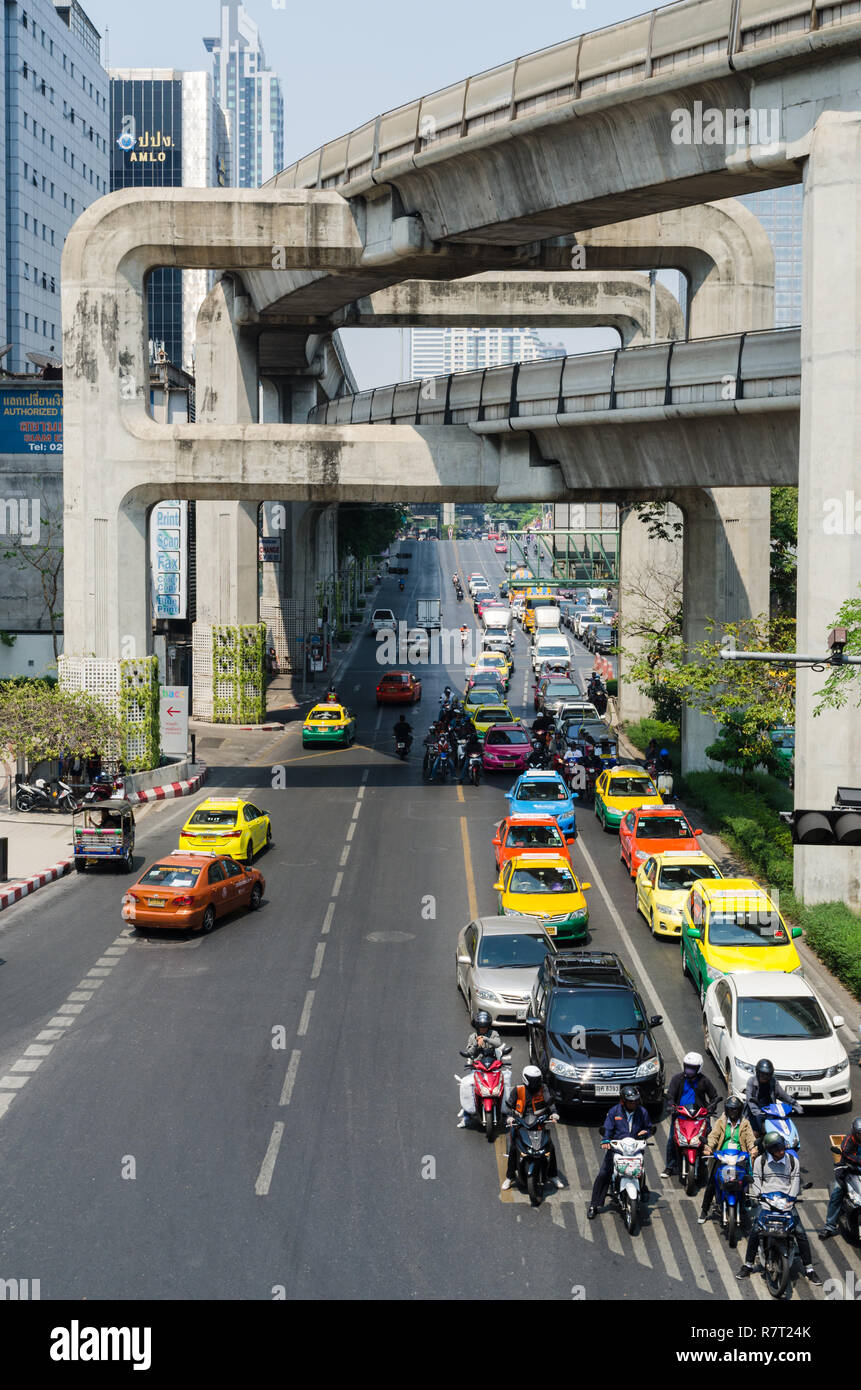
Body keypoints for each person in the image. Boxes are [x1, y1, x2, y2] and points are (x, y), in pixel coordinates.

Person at [737, 1131, 821, 1283]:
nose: (781, 1151)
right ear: (769, 1150)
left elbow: (795, 1181)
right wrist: (761, 1196)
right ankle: (748, 1265)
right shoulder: (760, 1162)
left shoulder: (793, 1161)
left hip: (786, 1202)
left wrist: (790, 1198)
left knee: (800, 1232)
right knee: (756, 1231)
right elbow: (756, 1181)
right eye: (776, 1149)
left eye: (782, 1147)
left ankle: (809, 1269)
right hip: (767, 1202)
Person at [588, 1085, 654, 1218]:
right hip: (617, 1148)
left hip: (634, 1148)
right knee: (604, 1173)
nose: (633, 1103)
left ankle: (642, 1189)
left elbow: (649, 1127)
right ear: (623, 1101)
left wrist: (646, 1133)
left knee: (641, 1170)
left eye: (635, 1100)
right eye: (630, 1101)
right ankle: (594, 1204)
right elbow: (607, 1129)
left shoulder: (642, 1112)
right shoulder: (614, 1112)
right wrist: (606, 1141)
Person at [699, 1095, 758, 1223]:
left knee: (745, 1180)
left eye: (735, 1109)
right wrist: (708, 1147)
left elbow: (750, 1139)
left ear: (740, 1110)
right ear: (727, 1110)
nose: (733, 1112)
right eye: (731, 1109)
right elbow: (713, 1136)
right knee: (713, 1181)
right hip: (722, 1157)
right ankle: (704, 1210)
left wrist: (753, 1149)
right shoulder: (721, 1121)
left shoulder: (745, 1123)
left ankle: (744, 1202)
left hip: (739, 1157)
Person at [502, 1066, 562, 1191]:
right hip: (520, 1123)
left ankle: (553, 1175)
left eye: (537, 1079)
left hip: (538, 1122)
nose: (536, 1082)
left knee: (550, 1147)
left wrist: (554, 1113)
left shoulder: (543, 1088)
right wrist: (509, 1117)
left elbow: (549, 1102)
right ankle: (510, 1176)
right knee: (513, 1149)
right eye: (533, 1079)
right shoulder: (518, 1090)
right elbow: (509, 1104)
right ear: (526, 1079)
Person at [662, 1052, 719, 1177]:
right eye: (687, 1066)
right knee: (672, 1140)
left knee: (708, 1139)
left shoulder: (704, 1081)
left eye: (692, 1068)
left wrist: (710, 1107)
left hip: (699, 1117)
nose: (689, 1070)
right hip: (680, 1116)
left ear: (699, 1068)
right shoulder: (677, 1079)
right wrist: (671, 1106)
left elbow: (714, 1096)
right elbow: (670, 1096)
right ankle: (670, 1166)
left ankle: (705, 1164)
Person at [457, 1010, 511, 1127]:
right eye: (481, 1027)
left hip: (493, 1066)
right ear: (477, 1026)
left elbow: (497, 1043)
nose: (483, 1029)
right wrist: (477, 1043)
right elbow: (470, 1052)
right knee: (466, 1084)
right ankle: (466, 1115)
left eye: (485, 1027)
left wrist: (486, 1039)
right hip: (478, 1067)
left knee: (505, 1082)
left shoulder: (493, 1033)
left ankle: (506, 1113)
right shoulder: (472, 1037)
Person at [819, 1116, 861, 1239]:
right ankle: (829, 1226)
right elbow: (847, 1155)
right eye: (859, 1134)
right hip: (846, 1168)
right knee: (838, 1192)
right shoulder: (849, 1140)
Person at [743, 1058, 801, 1136]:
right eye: (762, 1074)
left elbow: (782, 1094)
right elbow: (749, 1099)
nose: (765, 1077)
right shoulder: (751, 1081)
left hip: (770, 1110)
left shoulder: (773, 1081)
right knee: (755, 1134)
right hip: (754, 1112)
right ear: (757, 1072)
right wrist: (757, 1112)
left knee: (778, 1131)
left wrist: (794, 1104)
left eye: (767, 1074)